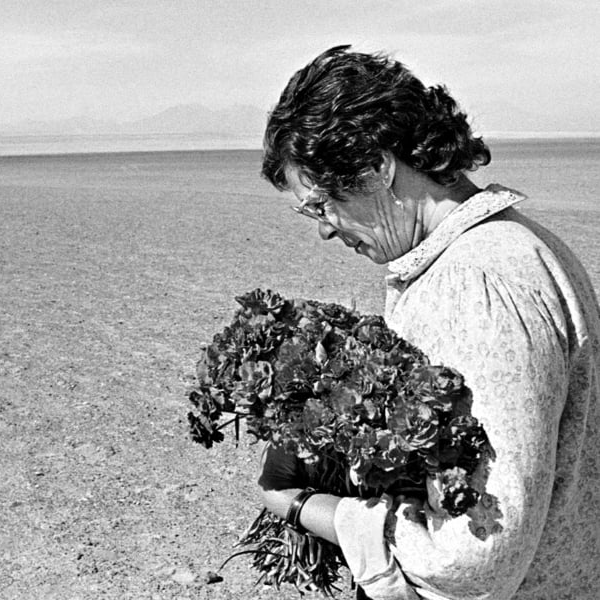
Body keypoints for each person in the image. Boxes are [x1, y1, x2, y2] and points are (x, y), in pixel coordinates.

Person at [257, 45, 600, 600]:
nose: (323, 229)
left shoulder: (477, 286)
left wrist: (307, 507)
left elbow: (478, 550)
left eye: (320, 204)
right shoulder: (516, 246)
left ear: (378, 168)